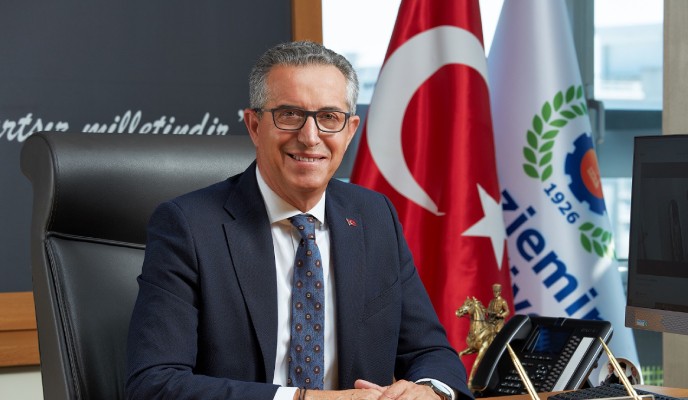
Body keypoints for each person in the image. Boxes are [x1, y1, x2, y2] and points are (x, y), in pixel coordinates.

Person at [125, 41, 473, 400]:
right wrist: (304, 399)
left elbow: (431, 353)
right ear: (254, 125)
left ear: (350, 130)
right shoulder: (189, 227)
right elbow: (155, 384)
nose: (310, 137)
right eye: (289, 115)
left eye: (329, 117)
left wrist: (430, 391)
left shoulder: (374, 217)